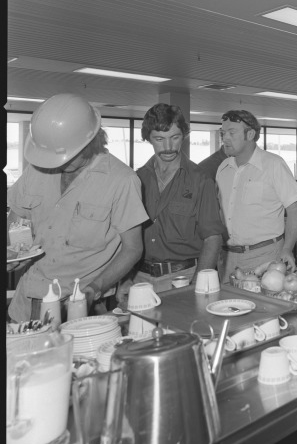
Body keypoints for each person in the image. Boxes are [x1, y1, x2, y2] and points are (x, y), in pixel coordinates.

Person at [7, 94, 148, 322]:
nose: (58, 163)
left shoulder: (121, 180)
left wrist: (95, 289)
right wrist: (15, 251)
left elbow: (132, 248)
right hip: (27, 302)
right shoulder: (36, 169)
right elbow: (15, 220)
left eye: (67, 156)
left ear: (92, 141)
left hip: (82, 308)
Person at [119, 104, 226, 298]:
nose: (168, 147)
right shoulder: (137, 179)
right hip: (139, 279)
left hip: (183, 278)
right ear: (148, 138)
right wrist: (124, 279)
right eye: (159, 139)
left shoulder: (200, 180)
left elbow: (213, 238)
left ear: (184, 136)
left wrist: (197, 285)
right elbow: (126, 238)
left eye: (175, 138)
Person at [215, 110, 297, 277]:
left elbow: (294, 210)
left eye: (231, 133)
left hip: (265, 256)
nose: (225, 138)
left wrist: (287, 249)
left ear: (250, 134)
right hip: (227, 257)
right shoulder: (223, 168)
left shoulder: (273, 165)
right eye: (223, 133)